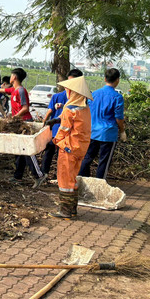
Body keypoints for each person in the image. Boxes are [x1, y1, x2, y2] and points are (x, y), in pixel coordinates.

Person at [0, 68, 45, 187]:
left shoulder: (21, 91)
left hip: (25, 123)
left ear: (15, 77)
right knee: (19, 150)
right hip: (18, 122)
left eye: (12, 75)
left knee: (28, 150)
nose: (10, 77)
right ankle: (18, 177)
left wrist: (13, 118)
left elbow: (25, 108)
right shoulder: (13, 90)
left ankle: (39, 175)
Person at [48, 76, 92, 219]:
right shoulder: (85, 108)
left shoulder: (69, 109)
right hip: (80, 148)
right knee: (72, 179)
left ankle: (65, 212)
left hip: (69, 148)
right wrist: (57, 119)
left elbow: (64, 129)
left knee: (65, 179)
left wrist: (55, 140)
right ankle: (72, 210)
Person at [78, 68, 125, 179]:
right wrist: (122, 131)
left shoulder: (94, 94)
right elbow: (119, 118)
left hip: (93, 131)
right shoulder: (117, 97)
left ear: (105, 79)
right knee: (104, 161)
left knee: (87, 158)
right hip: (108, 134)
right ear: (118, 80)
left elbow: (87, 111)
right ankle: (99, 184)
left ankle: (82, 180)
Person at [41, 69, 84, 177]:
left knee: (60, 155)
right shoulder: (61, 97)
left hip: (68, 134)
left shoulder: (81, 100)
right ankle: (46, 174)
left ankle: (52, 175)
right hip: (58, 132)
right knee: (53, 152)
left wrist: (46, 122)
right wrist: (45, 123)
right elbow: (51, 112)